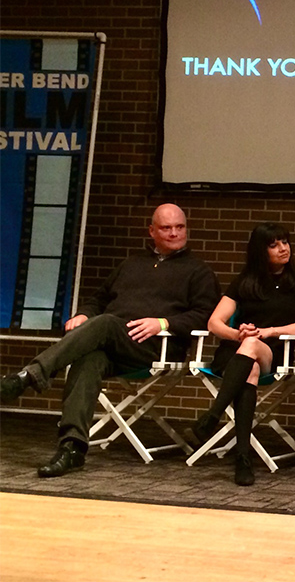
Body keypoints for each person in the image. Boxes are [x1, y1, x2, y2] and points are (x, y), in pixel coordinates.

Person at [0, 203, 220, 477]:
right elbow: (99, 299)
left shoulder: (198, 271)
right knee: (88, 359)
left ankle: (29, 376)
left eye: (180, 227)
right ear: (151, 231)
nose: (175, 233)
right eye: (166, 228)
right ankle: (72, 447)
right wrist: (83, 314)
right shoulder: (131, 264)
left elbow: (205, 317)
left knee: (103, 323)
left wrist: (163, 323)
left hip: (156, 347)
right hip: (113, 342)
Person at [187, 223, 295, 486]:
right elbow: (215, 323)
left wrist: (267, 332)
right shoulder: (244, 281)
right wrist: (239, 333)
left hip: (276, 351)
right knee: (250, 367)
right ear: (260, 251)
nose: (283, 249)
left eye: (285, 242)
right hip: (237, 353)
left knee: (252, 351)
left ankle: (213, 414)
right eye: (274, 245)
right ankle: (243, 457)